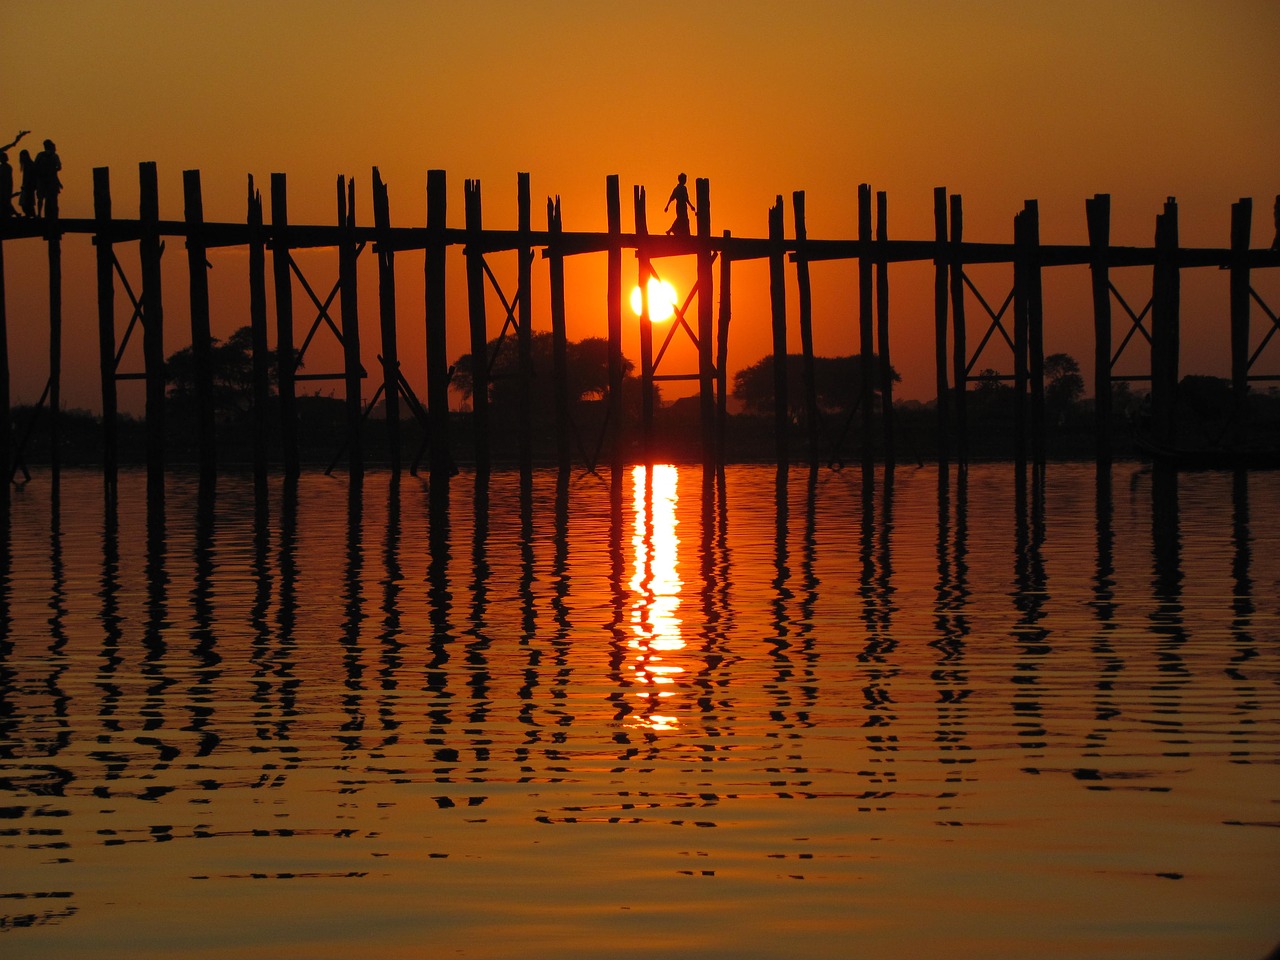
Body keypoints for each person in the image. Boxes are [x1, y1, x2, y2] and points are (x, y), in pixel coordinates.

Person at [34, 139, 61, 219]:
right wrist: (51, 171)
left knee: (41, 199)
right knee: (51, 199)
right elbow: (59, 167)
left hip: (42, 180)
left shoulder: (40, 155)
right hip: (51, 181)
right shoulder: (54, 156)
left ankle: (39, 214)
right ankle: (52, 216)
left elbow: (35, 166)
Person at [664, 172, 696, 237]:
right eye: (685, 179)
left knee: (682, 219)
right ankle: (671, 230)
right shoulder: (683, 188)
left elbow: (671, 197)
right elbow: (686, 199)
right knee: (682, 219)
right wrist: (691, 206)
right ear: (682, 180)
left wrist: (667, 206)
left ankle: (683, 233)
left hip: (678, 206)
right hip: (682, 206)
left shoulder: (676, 188)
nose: (686, 180)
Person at [17, 149, 36, 218]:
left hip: (29, 186)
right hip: (29, 186)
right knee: (28, 201)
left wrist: (25, 185)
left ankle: (30, 214)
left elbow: (28, 176)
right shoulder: (29, 164)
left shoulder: (28, 164)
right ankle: (31, 214)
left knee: (26, 201)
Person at [0, 151, 14, 218]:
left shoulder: (7, 167)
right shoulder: (4, 167)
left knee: (6, 203)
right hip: (3, 188)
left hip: (6, 188)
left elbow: (8, 179)